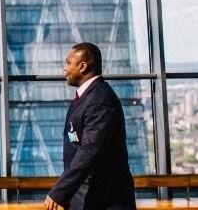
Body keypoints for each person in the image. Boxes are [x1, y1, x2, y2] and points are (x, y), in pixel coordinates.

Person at [43, 42, 136, 210]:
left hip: (105, 199)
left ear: (83, 66)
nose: (65, 69)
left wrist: (59, 192)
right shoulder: (88, 96)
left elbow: (90, 151)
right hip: (89, 197)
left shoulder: (100, 99)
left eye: (68, 63)